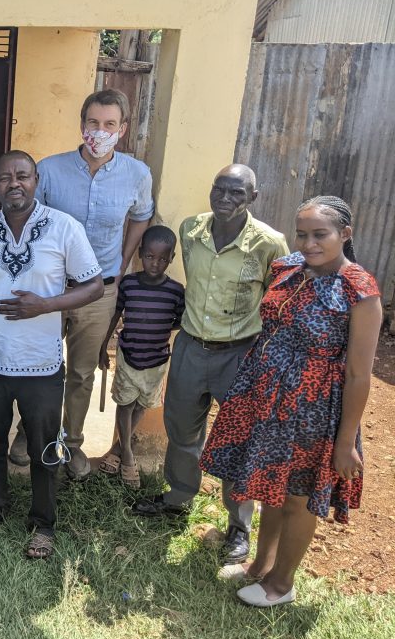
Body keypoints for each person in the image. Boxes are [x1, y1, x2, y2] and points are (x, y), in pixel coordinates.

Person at [200, 196, 381, 607]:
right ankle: (260, 567)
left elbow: (357, 374)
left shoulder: (359, 291)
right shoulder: (287, 269)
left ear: (345, 234)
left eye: (321, 234)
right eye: (302, 234)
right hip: (265, 398)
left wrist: (345, 441)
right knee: (271, 488)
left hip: (312, 409)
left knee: (298, 497)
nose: (309, 243)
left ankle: (282, 584)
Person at [133, 165, 289, 568]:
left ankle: (238, 526)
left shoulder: (269, 243)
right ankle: (179, 495)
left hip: (239, 353)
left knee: (238, 438)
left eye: (236, 192)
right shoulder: (190, 231)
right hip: (189, 346)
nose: (225, 198)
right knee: (181, 428)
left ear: (252, 197)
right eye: (218, 188)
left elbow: (279, 299)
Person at [0, 151, 103, 560]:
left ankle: (43, 523)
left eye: (22, 175)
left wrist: (47, 305)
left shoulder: (63, 228)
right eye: (5, 178)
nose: (14, 183)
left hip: (40, 362)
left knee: (44, 446)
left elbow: (93, 286)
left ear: (36, 180)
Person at [28, 88, 155, 479]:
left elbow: (142, 216)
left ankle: (72, 441)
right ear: (82, 125)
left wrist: (122, 259)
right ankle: (29, 433)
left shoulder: (138, 174)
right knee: (38, 365)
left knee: (82, 372)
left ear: (123, 129)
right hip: (52, 286)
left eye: (109, 125)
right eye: (93, 123)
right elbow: (32, 219)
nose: (100, 132)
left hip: (100, 288)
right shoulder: (50, 169)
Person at [96, 225, 185, 488]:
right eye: (149, 256)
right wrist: (103, 346)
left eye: (162, 259)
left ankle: (117, 447)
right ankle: (128, 456)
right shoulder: (130, 284)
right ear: (139, 255)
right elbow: (115, 314)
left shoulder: (176, 291)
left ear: (172, 258)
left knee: (142, 405)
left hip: (156, 360)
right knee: (125, 404)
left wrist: (153, 328)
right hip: (129, 355)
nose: (155, 263)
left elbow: (179, 322)